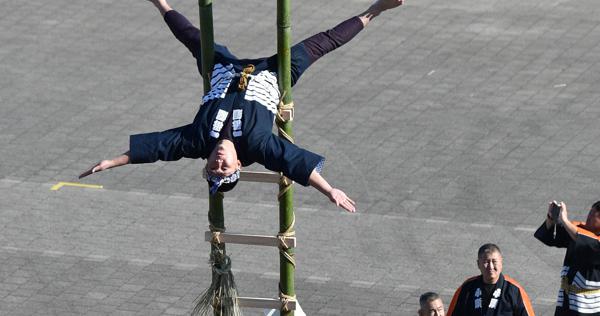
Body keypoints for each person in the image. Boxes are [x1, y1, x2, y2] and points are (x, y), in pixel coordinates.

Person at [79, 0, 406, 213]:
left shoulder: (197, 140)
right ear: (239, 166)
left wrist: (111, 161)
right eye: (225, 167)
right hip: (272, 76)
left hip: (225, 71)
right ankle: (376, 9)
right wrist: (330, 189)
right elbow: (292, 162)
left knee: (193, 38)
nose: (219, 160)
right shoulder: (257, 145)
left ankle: (158, 1)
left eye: (213, 166)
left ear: (205, 162)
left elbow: (158, 148)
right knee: (323, 43)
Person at [534, 201, 600, 315]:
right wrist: (551, 218)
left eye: (594, 215)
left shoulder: (585, 237)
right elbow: (551, 237)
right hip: (565, 297)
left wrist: (565, 220)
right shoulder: (579, 230)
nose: (589, 217)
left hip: (588, 303)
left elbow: (589, 243)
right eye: (590, 212)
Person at [447, 243, 535, 316]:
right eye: (486, 262)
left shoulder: (514, 290)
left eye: (494, 261)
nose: (491, 266)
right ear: (478, 264)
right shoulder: (467, 288)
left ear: (501, 262)